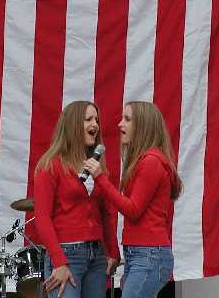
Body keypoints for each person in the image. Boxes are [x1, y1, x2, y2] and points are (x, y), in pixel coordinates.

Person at [83, 101, 183, 298]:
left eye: (127, 119)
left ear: (143, 126)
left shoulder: (151, 162)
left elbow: (134, 209)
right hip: (141, 253)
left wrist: (100, 178)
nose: (120, 124)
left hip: (148, 254)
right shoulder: (146, 160)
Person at [34, 101, 120, 298]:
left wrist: (113, 252)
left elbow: (107, 213)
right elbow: (42, 218)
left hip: (96, 254)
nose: (95, 125)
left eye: (97, 120)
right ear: (73, 124)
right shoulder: (51, 165)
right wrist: (59, 262)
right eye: (88, 119)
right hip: (66, 254)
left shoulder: (97, 166)